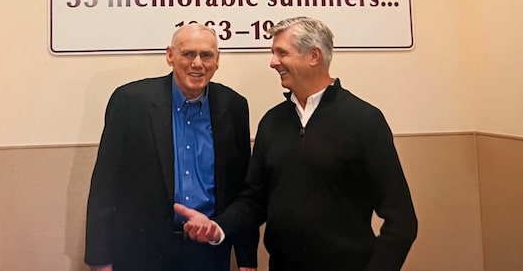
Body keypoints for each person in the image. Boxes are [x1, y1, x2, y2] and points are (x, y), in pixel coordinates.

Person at [174, 16, 418, 271]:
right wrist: (219, 227)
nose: (273, 62)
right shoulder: (272, 122)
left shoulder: (365, 121)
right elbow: (254, 201)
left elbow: (402, 222)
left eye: (281, 53)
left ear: (313, 56)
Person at [84, 23, 258, 271]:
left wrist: (247, 258)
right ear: (170, 55)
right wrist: (99, 260)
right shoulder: (131, 101)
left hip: (207, 254)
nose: (197, 63)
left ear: (217, 60)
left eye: (206, 55)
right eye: (188, 53)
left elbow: (241, 187)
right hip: (141, 253)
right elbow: (105, 184)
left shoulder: (234, 106)